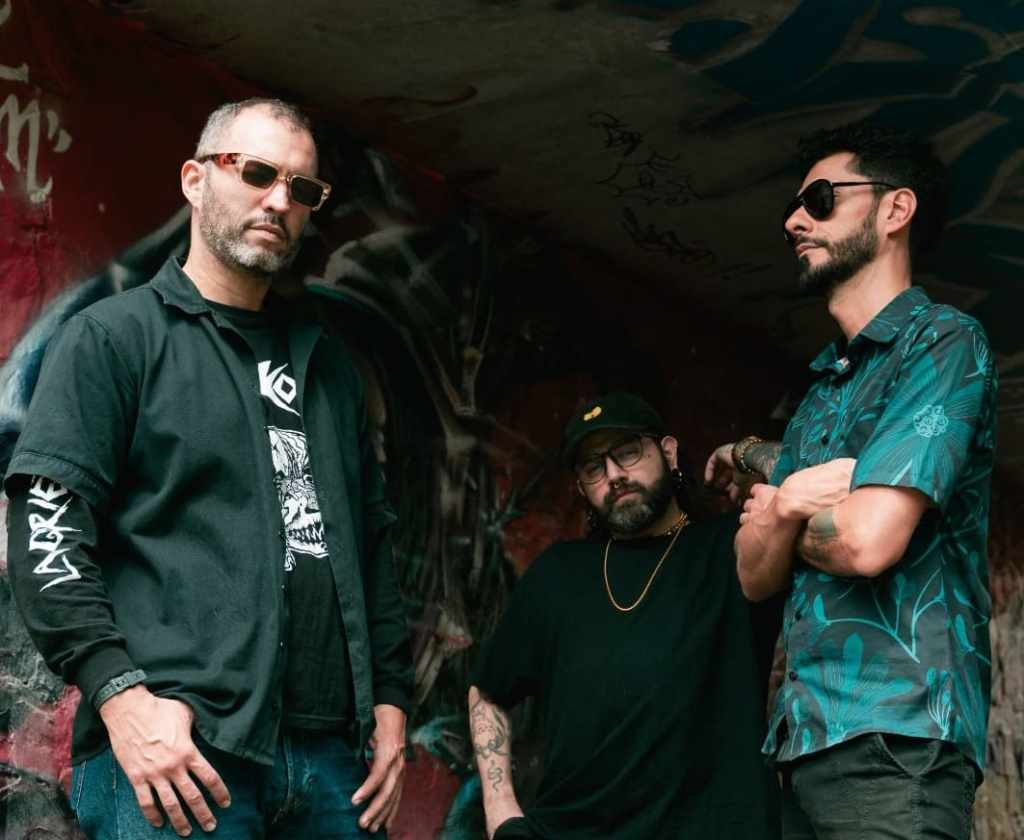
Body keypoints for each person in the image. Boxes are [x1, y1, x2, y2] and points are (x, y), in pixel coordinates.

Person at [5, 98, 413, 839]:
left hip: (335, 765)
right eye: (256, 173)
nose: (279, 201)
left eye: (302, 188)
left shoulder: (328, 369)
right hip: (180, 753)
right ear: (195, 180)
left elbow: (372, 543)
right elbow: (47, 530)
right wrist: (122, 699)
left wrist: (390, 700)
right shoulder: (115, 338)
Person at [705, 123, 998, 839]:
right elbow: (753, 576)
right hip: (801, 743)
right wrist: (791, 502)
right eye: (794, 206)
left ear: (896, 209)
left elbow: (867, 542)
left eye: (820, 199)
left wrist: (781, 515)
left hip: (899, 738)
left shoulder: (944, 342)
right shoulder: (819, 395)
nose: (793, 221)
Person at [469, 392, 782, 840]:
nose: (614, 475)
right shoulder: (558, 573)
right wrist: (501, 813)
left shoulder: (733, 547)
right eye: (593, 467)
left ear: (668, 452)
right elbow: (488, 692)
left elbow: (819, 490)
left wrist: (744, 452)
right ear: (582, 488)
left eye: (628, 451)